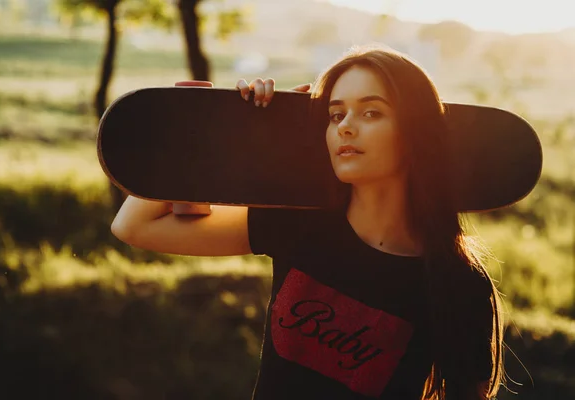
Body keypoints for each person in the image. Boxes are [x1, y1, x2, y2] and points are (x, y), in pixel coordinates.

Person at [111, 44, 504, 400]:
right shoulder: (299, 225)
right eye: (335, 114)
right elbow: (134, 226)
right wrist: (227, 130)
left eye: (371, 111)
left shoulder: (458, 281)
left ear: (414, 131)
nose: (346, 126)